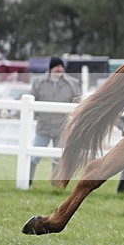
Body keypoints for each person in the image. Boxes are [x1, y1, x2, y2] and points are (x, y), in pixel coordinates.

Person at [29, 56, 81, 185]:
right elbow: (32, 100)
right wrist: (38, 116)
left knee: (58, 158)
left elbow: (77, 101)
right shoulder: (38, 82)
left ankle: (55, 184)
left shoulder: (72, 83)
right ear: (51, 68)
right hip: (43, 127)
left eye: (61, 66)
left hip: (61, 128)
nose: (59, 69)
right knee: (34, 156)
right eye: (57, 66)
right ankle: (28, 180)